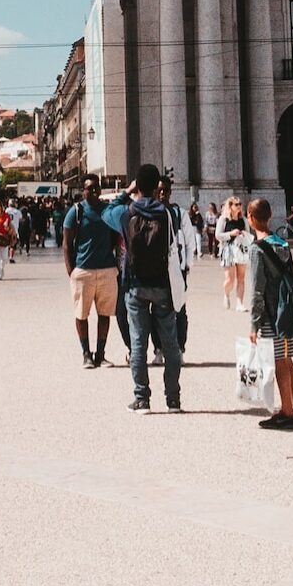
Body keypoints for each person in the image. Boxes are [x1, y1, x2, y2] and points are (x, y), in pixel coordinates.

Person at [109, 165, 184, 413]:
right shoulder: (169, 214)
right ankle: (173, 398)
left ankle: (142, 399)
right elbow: (173, 242)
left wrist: (126, 191)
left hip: (135, 285)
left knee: (138, 342)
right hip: (162, 284)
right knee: (170, 343)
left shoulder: (125, 212)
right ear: (156, 187)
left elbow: (106, 212)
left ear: (137, 186)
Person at [246, 197, 293, 429]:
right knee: (287, 358)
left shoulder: (257, 249)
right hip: (287, 309)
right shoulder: (282, 243)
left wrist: (253, 324)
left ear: (250, 219)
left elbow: (256, 289)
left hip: (273, 315)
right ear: (270, 215)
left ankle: (287, 412)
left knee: (281, 360)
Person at [61, 177, 121, 368]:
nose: (93, 191)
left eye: (96, 188)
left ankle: (100, 354)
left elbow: (116, 238)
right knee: (81, 314)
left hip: (106, 269)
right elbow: (66, 244)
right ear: (83, 190)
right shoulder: (76, 211)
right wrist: (71, 271)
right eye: (89, 188)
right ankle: (86, 353)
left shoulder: (107, 211)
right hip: (83, 271)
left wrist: (117, 266)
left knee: (104, 314)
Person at [217, 195, 252, 310]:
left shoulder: (244, 220)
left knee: (241, 278)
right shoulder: (224, 219)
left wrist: (243, 234)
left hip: (241, 249)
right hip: (228, 250)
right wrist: (230, 234)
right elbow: (218, 235)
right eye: (236, 204)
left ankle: (240, 303)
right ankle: (226, 294)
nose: (239, 207)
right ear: (230, 206)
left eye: (240, 204)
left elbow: (248, 233)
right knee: (230, 279)